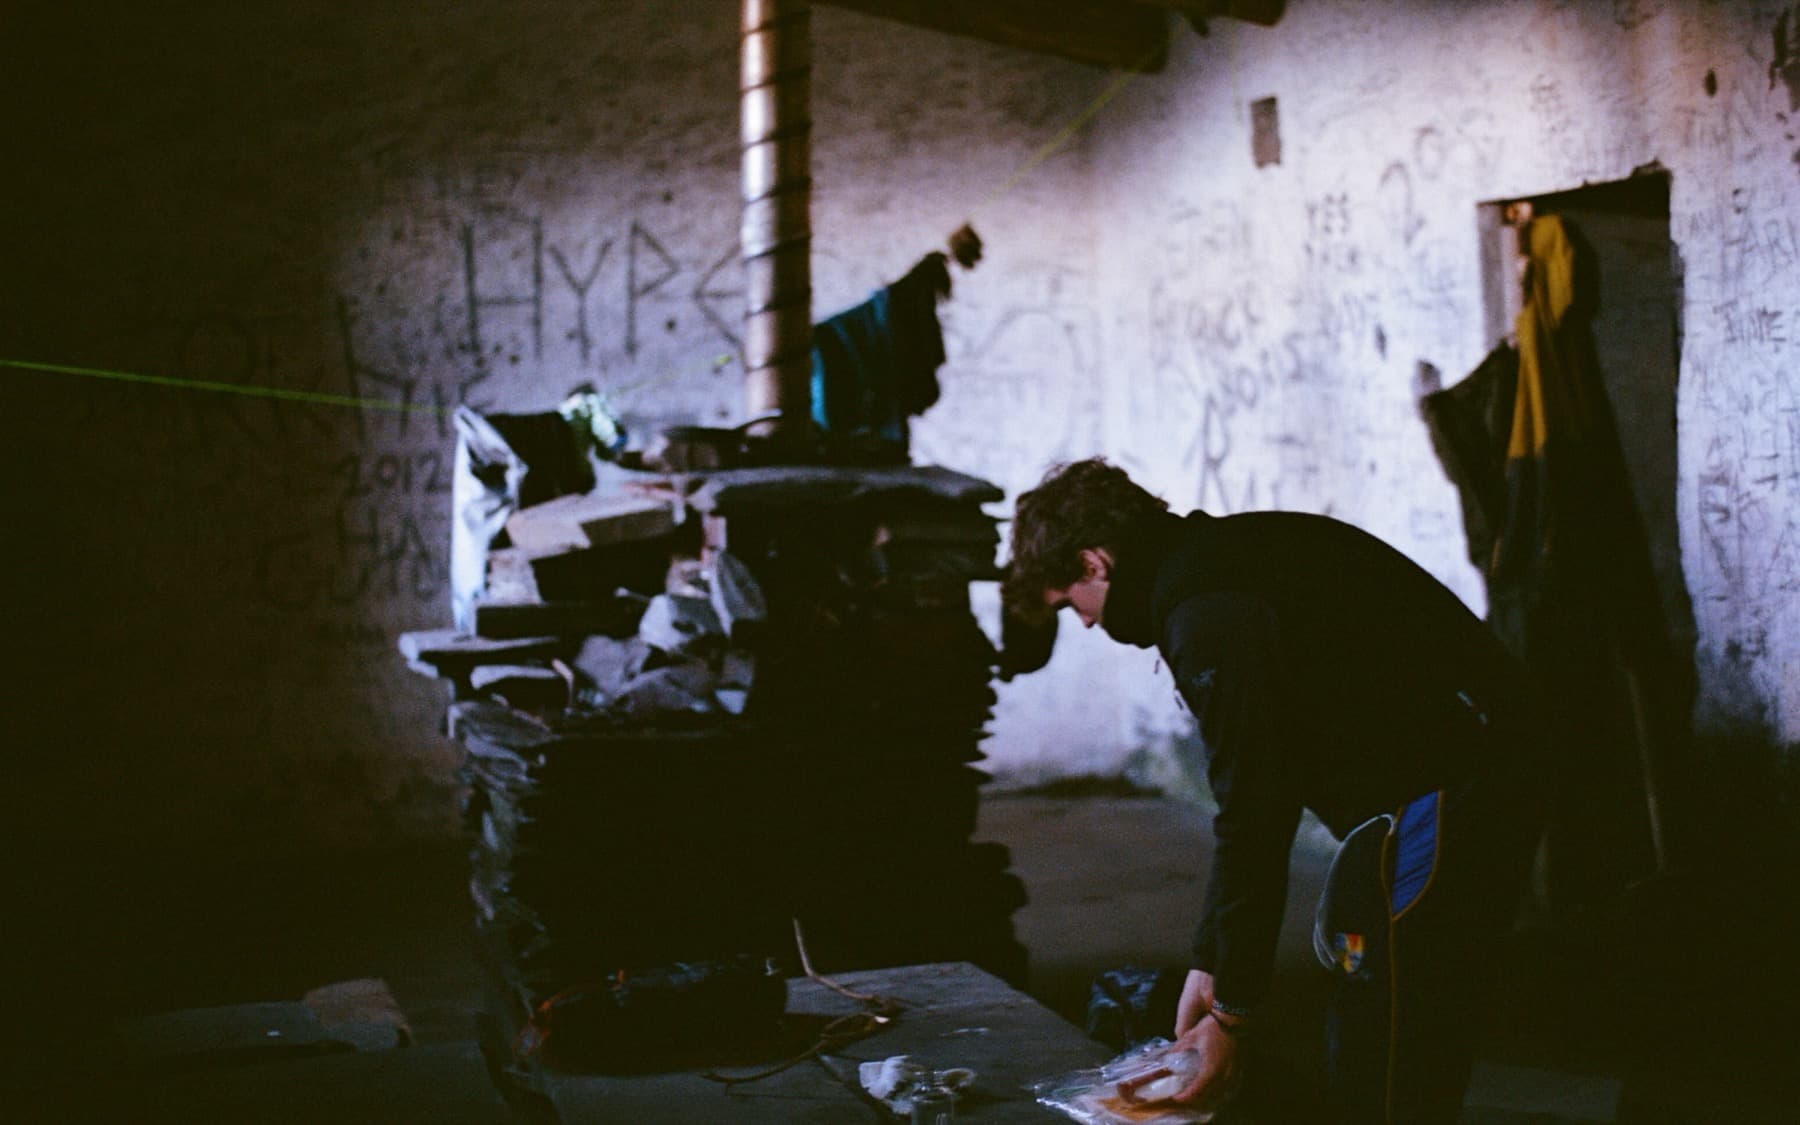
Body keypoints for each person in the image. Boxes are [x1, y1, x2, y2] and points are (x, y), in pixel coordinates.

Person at [1003, 458, 1547, 1123]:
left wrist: (1232, 1012)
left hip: (1448, 792)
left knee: (1384, 1025)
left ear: (1093, 563)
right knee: (1410, 1012)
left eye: (1070, 604)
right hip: (1464, 776)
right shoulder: (1221, 558)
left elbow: (1255, 807)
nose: (1085, 622)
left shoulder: (1205, 610)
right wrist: (1213, 967)